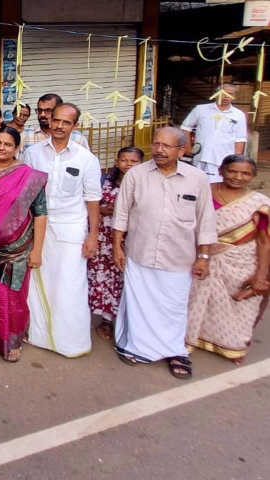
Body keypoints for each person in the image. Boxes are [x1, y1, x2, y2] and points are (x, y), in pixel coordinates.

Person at [113, 127, 217, 380]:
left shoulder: (197, 178)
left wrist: (204, 256)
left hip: (179, 257)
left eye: (167, 146)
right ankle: (136, 346)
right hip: (140, 252)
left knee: (174, 306)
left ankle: (174, 350)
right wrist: (117, 246)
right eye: (156, 144)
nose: (159, 149)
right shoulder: (137, 174)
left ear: (182, 150)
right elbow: (122, 213)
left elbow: (206, 220)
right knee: (139, 305)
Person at [24, 103, 101, 358]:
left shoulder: (85, 159)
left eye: (66, 122)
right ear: (49, 118)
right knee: (38, 282)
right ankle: (38, 336)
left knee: (70, 285)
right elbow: (26, 193)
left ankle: (70, 341)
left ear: (75, 126)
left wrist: (92, 235)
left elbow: (92, 199)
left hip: (71, 229)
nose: (58, 126)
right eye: (55, 120)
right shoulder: (33, 153)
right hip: (39, 228)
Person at [0, 126, 47, 362]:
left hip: (17, 248)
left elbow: (40, 213)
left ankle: (11, 342)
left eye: (7, 144)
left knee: (13, 297)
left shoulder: (29, 176)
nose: (1, 148)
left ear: (17, 148)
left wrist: (37, 250)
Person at [186, 155, 269, 365]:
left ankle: (232, 346)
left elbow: (263, 241)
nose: (238, 177)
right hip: (199, 255)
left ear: (253, 176)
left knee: (238, 305)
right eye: (232, 171)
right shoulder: (204, 190)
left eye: (245, 173)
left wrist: (261, 275)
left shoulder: (259, 203)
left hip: (239, 261)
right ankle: (189, 339)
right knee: (194, 300)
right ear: (221, 171)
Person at [88, 147, 143, 340]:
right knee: (102, 277)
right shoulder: (104, 181)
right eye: (124, 160)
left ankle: (126, 320)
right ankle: (105, 318)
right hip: (103, 237)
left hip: (127, 239)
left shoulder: (143, 184)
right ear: (116, 161)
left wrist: (122, 214)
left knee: (123, 278)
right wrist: (103, 210)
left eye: (133, 161)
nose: (128, 164)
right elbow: (91, 201)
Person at [180, 84, 248, 183]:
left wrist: (235, 160)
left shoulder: (238, 115)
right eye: (223, 93)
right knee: (196, 186)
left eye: (230, 94)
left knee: (218, 189)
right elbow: (185, 127)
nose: (226, 97)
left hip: (223, 160)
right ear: (216, 94)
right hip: (201, 157)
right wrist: (188, 149)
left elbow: (240, 139)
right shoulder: (200, 109)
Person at [19, 93, 90, 159]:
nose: (42, 114)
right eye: (40, 110)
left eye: (48, 110)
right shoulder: (25, 135)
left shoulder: (77, 138)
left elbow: (86, 163)